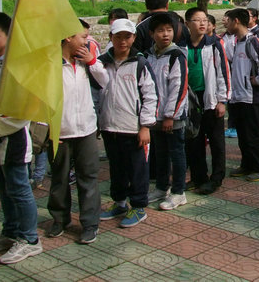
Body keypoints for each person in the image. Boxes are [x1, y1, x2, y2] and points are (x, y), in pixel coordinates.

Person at [0, 12, 42, 264]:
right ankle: (10, 232)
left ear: (9, 35)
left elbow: (29, 106)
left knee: (19, 189)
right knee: (3, 189)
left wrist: (2, 125)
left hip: (13, 139)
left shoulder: (18, 67)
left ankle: (30, 239)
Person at [46, 19, 108, 244]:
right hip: (60, 132)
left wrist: (92, 62)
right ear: (68, 37)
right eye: (82, 37)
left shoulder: (86, 63)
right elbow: (42, 99)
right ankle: (60, 219)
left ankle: (90, 223)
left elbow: (105, 81)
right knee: (60, 179)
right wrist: (49, 131)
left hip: (86, 130)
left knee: (88, 177)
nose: (86, 41)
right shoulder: (50, 64)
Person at [98, 18, 158, 228]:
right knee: (117, 168)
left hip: (133, 128)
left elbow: (150, 96)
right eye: (118, 37)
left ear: (133, 38)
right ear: (111, 37)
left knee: (137, 169)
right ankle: (120, 202)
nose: (122, 41)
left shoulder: (140, 63)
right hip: (109, 127)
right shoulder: (102, 63)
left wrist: (145, 126)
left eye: (127, 36)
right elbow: (96, 94)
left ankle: (139, 206)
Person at [182, 7, 230, 195]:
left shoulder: (214, 45)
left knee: (216, 141)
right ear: (187, 24)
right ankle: (198, 177)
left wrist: (222, 100)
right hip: (190, 101)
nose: (202, 23)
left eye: (204, 20)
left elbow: (223, 73)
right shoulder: (181, 47)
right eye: (197, 20)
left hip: (211, 98)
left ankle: (216, 178)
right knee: (194, 140)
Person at [225, 8, 259, 182]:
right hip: (239, 96)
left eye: (228, 20)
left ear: (236, 21)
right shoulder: (237, 42)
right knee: (244, 135)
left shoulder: (252, 41)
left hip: (252, 97)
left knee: (253, 135)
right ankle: (247, 165)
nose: (225, 23)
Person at [145, 13, 189, 210]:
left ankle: (179, 192)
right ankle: (162, 188)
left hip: (173, 116)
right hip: (155, 115)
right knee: (160, 153)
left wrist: (170, 115)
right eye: (161, 30)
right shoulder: (149, 56)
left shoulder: (176, 55)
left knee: (177, 153)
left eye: (169, 30)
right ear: (152, 33)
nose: (165, 34)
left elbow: (178, 87)